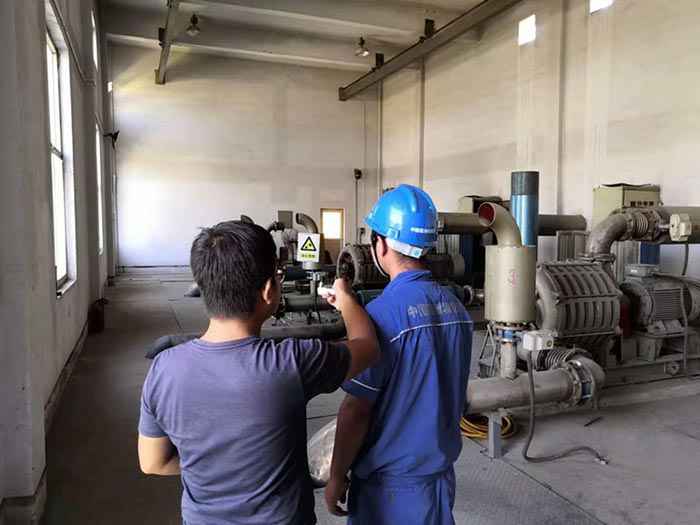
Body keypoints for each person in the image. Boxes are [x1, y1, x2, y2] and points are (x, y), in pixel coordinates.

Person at [137, 221, 379, 525]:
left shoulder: (164, 369)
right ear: (267, 290)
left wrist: (215, 465)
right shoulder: (292, 362)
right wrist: (347, 301)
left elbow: (153, 462)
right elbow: (368, 347)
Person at [324, 185, 473, 525]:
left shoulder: (380, 316)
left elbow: (356, 410)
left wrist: (336, 476)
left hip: (388, 490)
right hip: (439, 481)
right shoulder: (458, 310)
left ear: (381, 244)